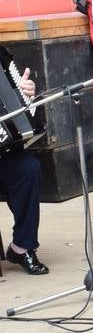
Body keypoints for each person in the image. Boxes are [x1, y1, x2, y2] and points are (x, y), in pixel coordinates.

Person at [0, 50, 46, 275]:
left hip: (3, 150)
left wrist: (25, 93)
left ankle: (22, 247)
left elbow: (16, 99)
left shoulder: (2, 56)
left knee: (28, 169)